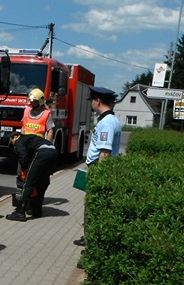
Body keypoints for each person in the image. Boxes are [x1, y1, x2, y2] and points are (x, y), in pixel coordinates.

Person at [74, 86, 121, 248]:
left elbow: (104, 153)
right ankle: (88, 237)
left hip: (98, 168)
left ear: (98, 100)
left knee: (93, 206)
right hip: (96, 167)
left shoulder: (107, 123)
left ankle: (92, 243)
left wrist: (99, 177)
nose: (91, 104)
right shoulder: (107, 120)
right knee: (92, 205)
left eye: (92, 100)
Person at [5, 132, 57, 222]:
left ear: (14, 137)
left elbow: (23, 156)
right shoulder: (30, 138)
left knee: (29, 183)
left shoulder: (18, 140)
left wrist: (25, 172)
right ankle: (37, 210)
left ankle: (20, 212)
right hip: (53, 152)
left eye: (12, 142)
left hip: (42, 153)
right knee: (42, 182)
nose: (13, 145)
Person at [17, 88, 55, 189]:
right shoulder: (26, 111)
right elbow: (23, 127)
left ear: (40, 101)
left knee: (34, 172)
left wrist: (47, 145)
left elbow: (50, 130)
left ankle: (32, 194)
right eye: (31, 101)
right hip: (25, 146)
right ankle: (21, 191)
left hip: (37, 147)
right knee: (21, 170)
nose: (32, 103)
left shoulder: (46, 114)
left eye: (34, 101)